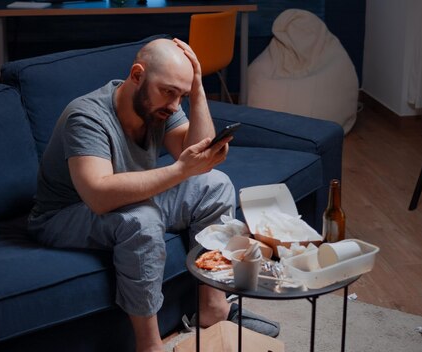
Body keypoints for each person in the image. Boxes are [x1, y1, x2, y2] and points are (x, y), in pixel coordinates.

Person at [28, 38, 278, 352]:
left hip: (125, 200)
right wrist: (180, 170)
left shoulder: (160, 106)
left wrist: (198, 88)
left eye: (182, 96)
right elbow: (99, 196)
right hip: (63, 216)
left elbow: (195, 159)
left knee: (216, 184)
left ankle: (213, 308)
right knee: (142, 219)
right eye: (169, 92)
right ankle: (149, 345)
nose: (175, 106)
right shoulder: (86, 116)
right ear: (137, 75)